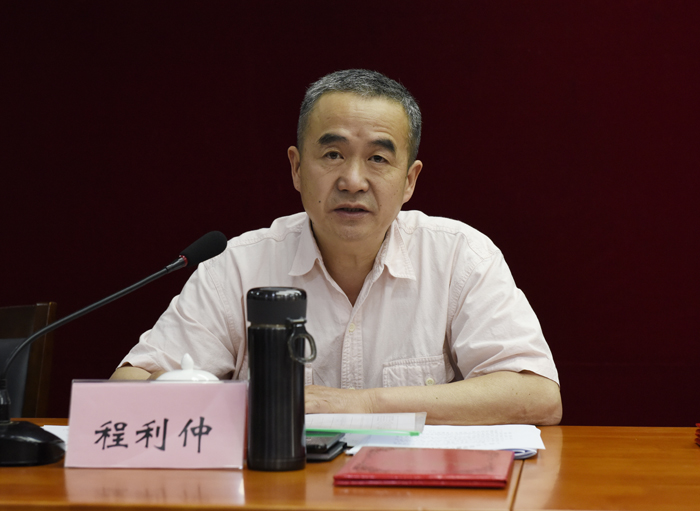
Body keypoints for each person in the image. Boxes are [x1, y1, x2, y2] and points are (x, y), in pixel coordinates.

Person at [111, 69, 562, 426]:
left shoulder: (461, 257)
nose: (352, 180)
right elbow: (129, 383)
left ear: (409, 181)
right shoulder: (238, 266)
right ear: (296, 168)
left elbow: (538, 395)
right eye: (332, 155)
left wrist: (361, 405)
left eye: (378, 159)